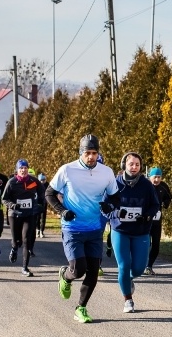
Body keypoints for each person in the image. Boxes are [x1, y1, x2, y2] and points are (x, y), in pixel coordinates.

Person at [45, 134, 119, 323]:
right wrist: (62, 211)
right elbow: (50, 193)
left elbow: (115, 197)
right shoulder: (68, 170)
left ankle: (81, 308)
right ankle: (66, 276)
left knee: (93, 271)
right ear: (81, 153)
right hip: (72, 228)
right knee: (78, 270)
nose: (91, 157)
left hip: (94, 229)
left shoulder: (107, 172)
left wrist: (109, 206)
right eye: (87, 153)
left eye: (94, 153)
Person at [107, 152, 159, 313]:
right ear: (124, 166)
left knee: (138, 268)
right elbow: (105, 207)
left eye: (137, 164)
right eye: (131, 164)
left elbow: (155, 205)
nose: (134, 167)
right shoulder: (115, 184)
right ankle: (128, 300)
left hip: (141, 232)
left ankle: (128, 279)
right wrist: (115, 214)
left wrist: (147, 216)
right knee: (124, 265)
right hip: (120, 230)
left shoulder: (146, 185)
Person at [2, 159, 44, 277]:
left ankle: (25, 267)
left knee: (26, 240)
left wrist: (40, 204)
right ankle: (14, 248)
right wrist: (12, 205)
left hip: (29, 214)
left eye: (25, 168)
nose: (23, 170)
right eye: (21, 168)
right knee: (16, 241)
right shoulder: (11, 182)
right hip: (14, 215)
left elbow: (42, 193)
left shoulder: (34, 181)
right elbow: (4, 199)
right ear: (17, 170)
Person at [145, 166, 172, 275]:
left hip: (157, 221)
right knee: (145, 243)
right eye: (154, 177)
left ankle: (149, 266)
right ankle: (138, 264)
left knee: (156, 245)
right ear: (150, 177)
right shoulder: (146, 186)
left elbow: (169, 196)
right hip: (145, 220)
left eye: (159, 177)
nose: (156, 180)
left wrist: (165, 203)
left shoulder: (163, 186)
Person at [37, 173, 48, 238]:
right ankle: (37, 229)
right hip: (37, 202)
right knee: (37, 218)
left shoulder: (48, 185)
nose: (42, 181)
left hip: (44, 203)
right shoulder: (36, 184)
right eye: (41, 180)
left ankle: (41, 231)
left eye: (43, 180)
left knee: (43, 218)